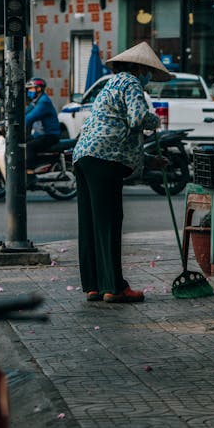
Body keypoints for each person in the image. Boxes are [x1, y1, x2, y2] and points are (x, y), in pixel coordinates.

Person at [72, 42, 171, 304]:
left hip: (85, 157)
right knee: (109, 221)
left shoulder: (112, 84)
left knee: (91, 223)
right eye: (147, 71)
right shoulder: (130, 83)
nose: (148, 77)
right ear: (139, 68)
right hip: (104, 160)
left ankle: (94, 284)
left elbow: (118, 131)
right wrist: (155, 120)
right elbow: (137, 119)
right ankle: (114, 287)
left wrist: (150, 161)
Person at [25, 77, 61, 175]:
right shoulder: (36, 101)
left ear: (39, 89)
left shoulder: (44, 102)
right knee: (22, 142)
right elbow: (25, 113)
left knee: (29, 146)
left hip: (50, 135)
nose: (29, 91)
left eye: (31, 89)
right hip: (40, 135)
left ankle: (30, 171)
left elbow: (30, 117)